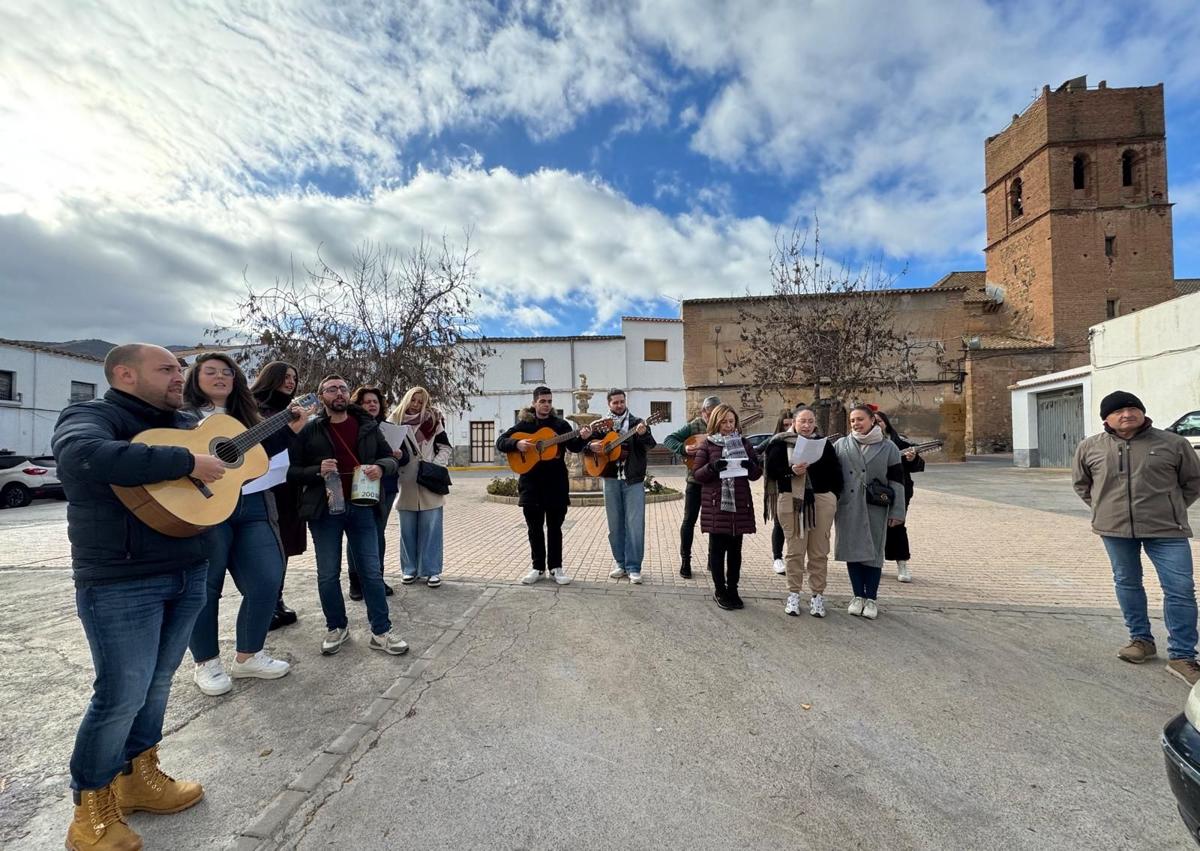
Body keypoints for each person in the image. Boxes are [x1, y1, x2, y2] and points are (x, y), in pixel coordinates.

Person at [53, 344, 222, 850]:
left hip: (187, 568)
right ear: (125, 374)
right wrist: (185, 461)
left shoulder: (187, 421)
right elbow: (81, 455)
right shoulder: (90, 414)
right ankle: (91, 811)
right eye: (167, 368)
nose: (179, 376)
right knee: (119, 693)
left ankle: (137, 778)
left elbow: (226, 465)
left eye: (179, 368)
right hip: (121, 579)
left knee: (157, 685)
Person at [183, 353, 314, 697]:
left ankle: (249, 654)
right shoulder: (180, 416)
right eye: (210, 371)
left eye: (227, 371)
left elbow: (265, 453)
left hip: (254, 502)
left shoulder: (250, 416)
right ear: (194, 378)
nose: (220, 377)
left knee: (268, 579)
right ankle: (207, 663)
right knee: (206, 587)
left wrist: (292, 427)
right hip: (207, 506)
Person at [1072, 390, 1200, 685]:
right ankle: (1141, 641)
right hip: (1115, 530)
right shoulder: (1090, 447)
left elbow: (1193, 482)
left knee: (1180, 588)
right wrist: (1104, 509)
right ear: (1106, 418)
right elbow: (1082, 484)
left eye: (1133, 408)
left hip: (1166, 530)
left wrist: (1172, 507)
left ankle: (1182, 656)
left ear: (1142, 412)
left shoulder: (1173, 443)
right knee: (1127, 583)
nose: (1127, 414)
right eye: (1118, 411)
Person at [288, 374, 409, 656]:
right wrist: (317, 470)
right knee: (328, 574)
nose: (339, 393)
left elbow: (391, 458)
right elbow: (291, 472)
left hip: (363, 507)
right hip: (324, 510)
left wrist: (381, 467)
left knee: (371, 571)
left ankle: (381, 631)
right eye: (332, 389)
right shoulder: (310, 430)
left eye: (343, 388)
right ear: (321, 397)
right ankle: (337, 627)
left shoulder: (366, 426)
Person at [496, 386, 593, 585]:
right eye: (542, 401)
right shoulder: (525, 424)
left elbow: (574, 446)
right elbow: (501, 441)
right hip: (530, 485)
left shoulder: (560, 425)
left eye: (549, 401)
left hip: (556, 483)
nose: (546, 405)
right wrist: (517, 445)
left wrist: (583, 437)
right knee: (534, 529)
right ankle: (537, 568)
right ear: (534, 403)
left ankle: (556, 568)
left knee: (555, 528)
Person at [764, 405, 843, 618]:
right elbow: (771, 471)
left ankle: (817, 595)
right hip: (792, 500)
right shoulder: (780, 443)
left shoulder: (824, 444)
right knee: (795, 550)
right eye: (802, 421)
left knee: (819, 551)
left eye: (810, 421)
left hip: (821, 500)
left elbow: (836, 472)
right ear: (794, 423)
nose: (807, 425)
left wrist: (833, 495)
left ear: (815, 423)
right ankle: (794, 594)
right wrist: (791, 471)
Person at [833, 404, 907, 620]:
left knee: (874, 553)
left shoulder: (889, 447)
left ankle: (871, 598)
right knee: (852, 551)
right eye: (852, 420)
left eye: (860, 419)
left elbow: (897, 481)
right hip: (849, 506)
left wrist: (898, 512)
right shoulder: (841, 445)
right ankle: (857, 596)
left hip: (876, 507)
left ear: (872, 420)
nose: (856, 423)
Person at [249, 361, 305, 630]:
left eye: (294, 377)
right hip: (261, 486)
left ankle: (277, 600)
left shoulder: (294, 410)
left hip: (289, 485)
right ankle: (264, 606)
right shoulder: (253, 407)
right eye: (285, 376)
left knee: (282, 547)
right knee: (265, 549)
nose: (290, 381)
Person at [693, 404, 762, 610]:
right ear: (716, 422)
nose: (729, 425)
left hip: (739, 504)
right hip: (717, 503)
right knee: (717, 550)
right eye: (724, 422)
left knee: (735, 550)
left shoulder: (744, 443)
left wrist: (751, 466)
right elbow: (697, 474)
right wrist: (713, 467)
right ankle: (720, 590)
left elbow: (756, 474)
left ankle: (733, 589)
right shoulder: (707, 445)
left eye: (732, 421)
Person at [588, 388, 657, 584]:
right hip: (610, 479)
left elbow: (650, 445)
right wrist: (590, 446)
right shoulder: (601, 425)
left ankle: (634, 567)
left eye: (621, 401)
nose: (619, 405)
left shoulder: (637, 423)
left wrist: (643, 434)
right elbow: (587, 445)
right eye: (615, 402)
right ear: (609, 404)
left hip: (632, 480)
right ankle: (620, 563)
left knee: (635, 525)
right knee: (615, 525)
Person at [391, 386, 453, 586]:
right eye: (414, 400)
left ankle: (432, 570)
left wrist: (434, 465)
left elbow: (445, 447)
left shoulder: (432, 420)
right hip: (405, 481)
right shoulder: (394, 420)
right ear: (407, 399)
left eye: (421, 401)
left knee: (432, 529)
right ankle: (409, 569)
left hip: (430, 481)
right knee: (407, 530)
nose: (417, 404)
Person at [346, 385, 397, 600]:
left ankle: (377, 578)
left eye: (375, 401)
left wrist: (398, 455)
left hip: (386, 487)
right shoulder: (352, 426)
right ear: (358, 405)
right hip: (361, 488)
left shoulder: (389, 428)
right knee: (357, 535)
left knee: (378, 534)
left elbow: (401, 460)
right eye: (367, 402)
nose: (372, 405)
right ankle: (356, 582)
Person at [663, 395, 722, 578]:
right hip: (695, 482)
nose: (713, 418)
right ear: (704, 412)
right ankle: (685, 561)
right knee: (689, 521)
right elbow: (669, 439)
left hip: (715, 482)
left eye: (716, 415)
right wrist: (683, 448)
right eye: (710, 414)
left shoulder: (724, 426)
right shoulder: (694, 425)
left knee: (715, 523)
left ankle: (713, 560)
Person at [874, 409, 923, 583]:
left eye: (879, 421)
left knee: (897, 525)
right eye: (873, 421)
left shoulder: (898, 443)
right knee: (875, 528)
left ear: (885, 423)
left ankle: (902, 563)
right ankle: (876, 563)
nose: (876, 424)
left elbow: (917, 465)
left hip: (898, 491)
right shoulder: (866, 443)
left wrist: (911, 459)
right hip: (874, 492)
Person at [763, 408, 794, 576]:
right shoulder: (775, 441)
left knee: (797, 525)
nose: (788, 427)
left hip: (798, 487)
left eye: (791, 424)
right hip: (778, 488)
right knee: (779, 524)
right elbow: (759, 453)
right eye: (785, 425)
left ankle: (794, 557)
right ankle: (777, 558)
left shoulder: (801, 440)